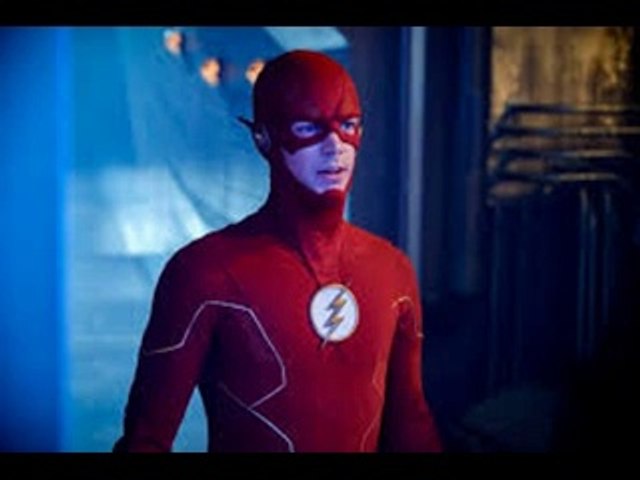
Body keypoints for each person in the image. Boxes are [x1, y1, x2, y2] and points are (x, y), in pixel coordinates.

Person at [113, 49, 442, 452]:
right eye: (308, 128)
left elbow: (411, 425)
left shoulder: (391, 270)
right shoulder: (203, 274)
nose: (335, 147)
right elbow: (146, 439)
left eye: (348, 126)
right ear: (263, 138)